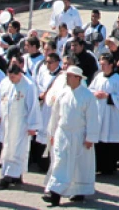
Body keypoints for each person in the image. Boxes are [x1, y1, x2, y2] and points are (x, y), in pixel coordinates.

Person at [43, 66, 100, 206]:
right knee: (60, 162)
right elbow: (56, 115)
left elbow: (92, 118)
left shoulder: (87, 96)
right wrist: (52, 132)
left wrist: (90, 138)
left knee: (79, 165)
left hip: (79, 135)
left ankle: (79, 191)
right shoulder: (63, 94)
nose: (67, 78)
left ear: (77, 78)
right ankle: (55, 193)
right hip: (63, 134)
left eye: (70, 76)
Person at [0, 63, 42, 189]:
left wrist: (33, 125)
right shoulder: (5, 82)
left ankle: (9, 176)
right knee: (7, 147)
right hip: (7, 122)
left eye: (13, 77)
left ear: (20, 74)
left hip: (21, 123)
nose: (11, 80)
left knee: (17, 149)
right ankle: (14, 175)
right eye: (10, 76)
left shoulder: (28, 85)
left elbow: (33, 106)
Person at [89, 53, 119, 175]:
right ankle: (97, 165)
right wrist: (95, 94)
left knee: (110, 141)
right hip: (99, 112)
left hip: (112, 115)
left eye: (104, 64)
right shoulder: (98, 77)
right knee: (99, 140)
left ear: (111, 65)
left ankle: (109, 167)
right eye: (100, 64)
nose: (102, 67)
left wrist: (108, 96)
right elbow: (90, 89)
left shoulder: (118, 80)